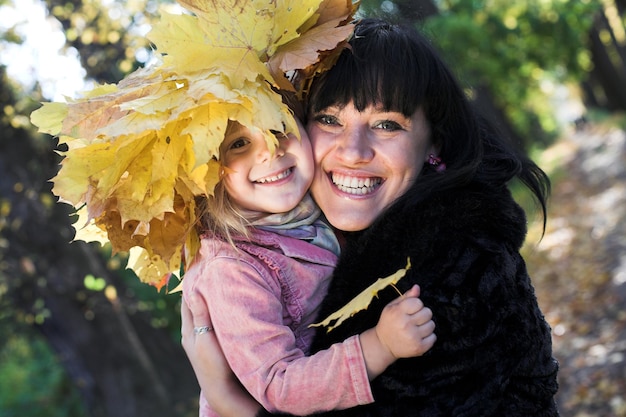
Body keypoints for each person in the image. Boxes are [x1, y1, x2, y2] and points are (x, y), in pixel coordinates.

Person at [181, 16, 560, 417]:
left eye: (386, 124)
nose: (353, 151)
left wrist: (230, 402)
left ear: (434, 140)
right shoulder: (274, 244)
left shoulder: (455, 267)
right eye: (329, 119)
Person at [181, 108, 436, 417]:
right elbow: (279, 387)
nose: (270, 150)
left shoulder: (316, 207)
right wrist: (379, 346)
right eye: (237, 144)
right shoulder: (232, 269)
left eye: (278, 127)